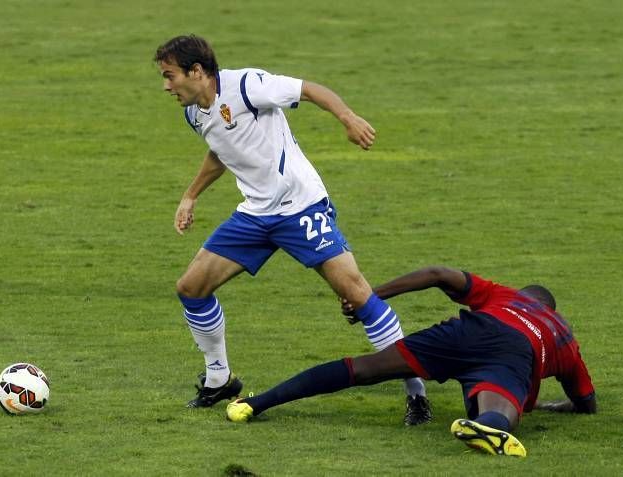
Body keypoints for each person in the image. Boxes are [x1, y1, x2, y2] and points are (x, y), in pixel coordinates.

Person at [154, 34, 430, 424]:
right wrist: (190, 195)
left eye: (170, 76)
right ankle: (219, 378)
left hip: (301, 207)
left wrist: (348, 119)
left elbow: (310, 90)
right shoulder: (194, 113)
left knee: (358, 295)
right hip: (255, 215)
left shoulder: (248, 86)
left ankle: (416, 393)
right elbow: (222, 149)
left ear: (196, 71)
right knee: (192, 288)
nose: (166, 86)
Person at [226, 266, 596, 457]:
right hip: (517, 352)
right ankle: (487, 425)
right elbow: (586, 402)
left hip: (471, 331)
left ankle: (256, 403)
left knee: (363, 369)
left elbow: (437, 274)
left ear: (525, 295)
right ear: (551, 309)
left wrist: (369, 296)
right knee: (499, 410)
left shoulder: (505, 296)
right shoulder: (564, 336)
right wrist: (561, 404)